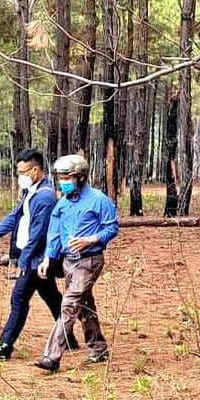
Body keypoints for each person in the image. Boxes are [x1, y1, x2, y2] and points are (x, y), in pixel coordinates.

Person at [0, 149, 65, 361]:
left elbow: (38, 234)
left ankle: (5, 346)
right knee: (51, 297)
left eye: (22, 172)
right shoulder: (31, 192)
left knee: (19, 298)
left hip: (37, 259)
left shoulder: (45, 197)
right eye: (18, 173)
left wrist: (23, 261)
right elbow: (15, 215)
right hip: (34, 259)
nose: (19, 177)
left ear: (35, 170)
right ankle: (67, 335)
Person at [35, 153, 118, 373]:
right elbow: (54, 234)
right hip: (68, 262)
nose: (62, 181)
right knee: (83, 305)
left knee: (69, 304)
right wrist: (47, 258)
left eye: (67, 176)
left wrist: (90, 239)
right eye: (60, 177)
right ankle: (98, 348)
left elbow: (111, 228)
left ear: (80, 177)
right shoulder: (61, 204)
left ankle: (51, 357)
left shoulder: (99, 200)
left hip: (90, 260)